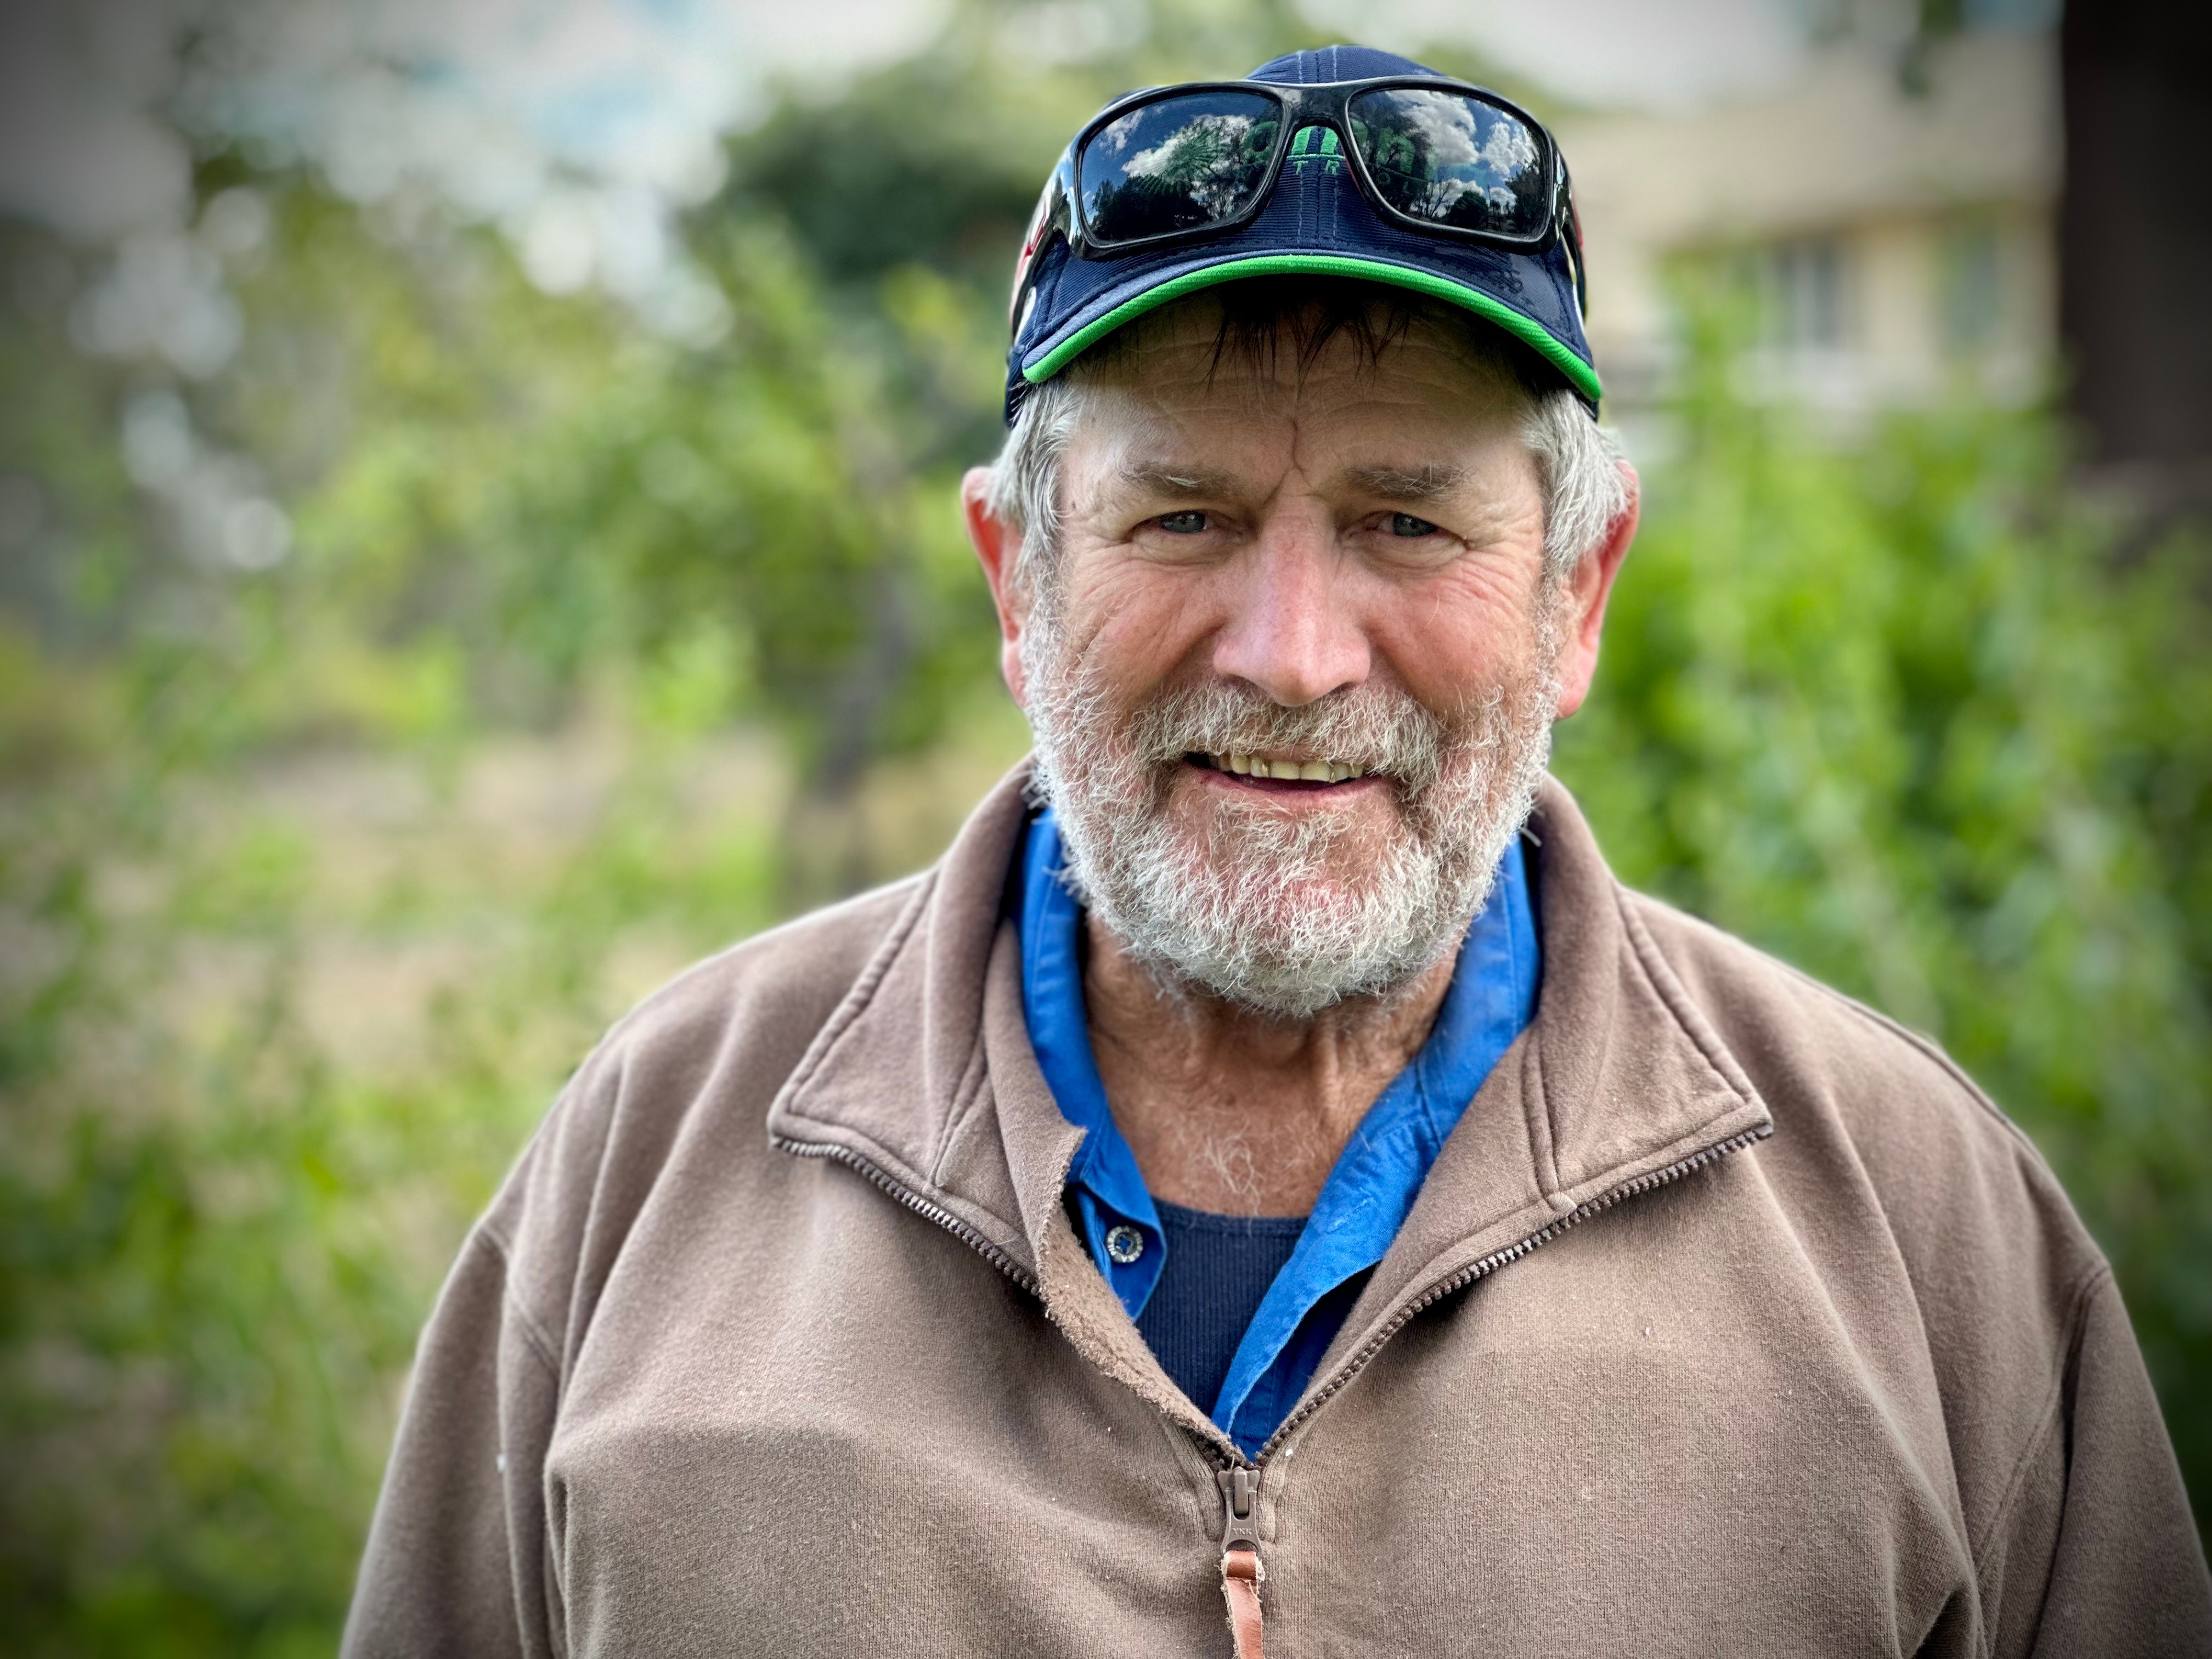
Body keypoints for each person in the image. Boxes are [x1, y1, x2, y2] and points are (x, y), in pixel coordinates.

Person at [342, 46, 2211, 1659]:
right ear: (1019, 580)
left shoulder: (1921, 1229)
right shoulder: (647, 1173)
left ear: (1578, 592)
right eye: (1182, 519)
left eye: (1408, 520)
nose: (1295, 654)